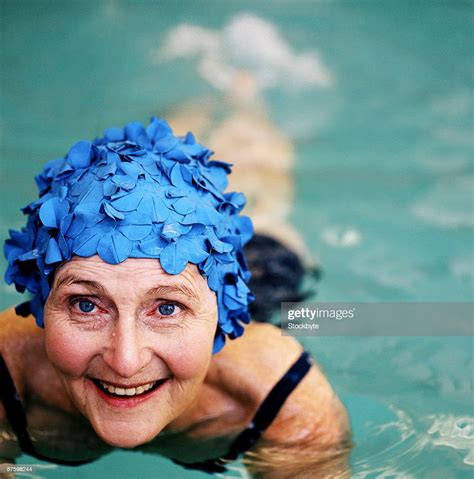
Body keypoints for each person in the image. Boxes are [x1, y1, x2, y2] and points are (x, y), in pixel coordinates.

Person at [0, 118, 351, 478]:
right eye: (86, 304)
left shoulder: (278, 396)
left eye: (167, 308)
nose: (125, 362)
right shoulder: (6, 369)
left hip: (263, 280)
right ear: (42, 303)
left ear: (218, 315)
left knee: (265, 209)